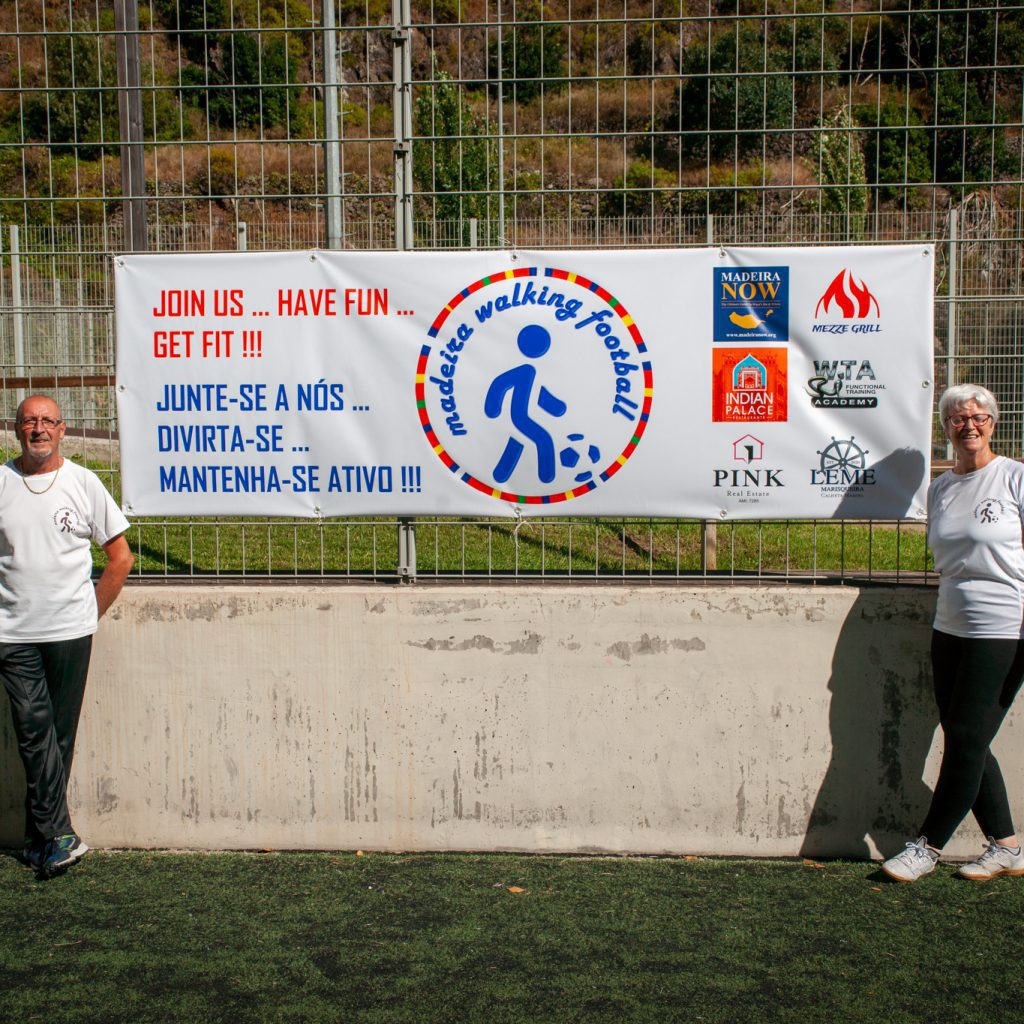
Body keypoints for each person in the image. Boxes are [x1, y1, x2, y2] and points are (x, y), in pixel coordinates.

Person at [883, 383, 1024, 882]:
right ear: (945, 429)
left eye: (978, 417)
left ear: (993, 423)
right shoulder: (940, 488)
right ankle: (1006, 845)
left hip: (1005, 627)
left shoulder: (1014, 478)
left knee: (965, 737)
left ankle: (927, 846)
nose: (969, 425)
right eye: (958, 419)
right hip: (950, 625)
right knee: (967, 736)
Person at [0, 394, 133, 877]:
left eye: (47, 422)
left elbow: (120, 558)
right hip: (12, 633)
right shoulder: (1, 483)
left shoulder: (83, 482)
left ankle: (43, 839)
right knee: (34, 731)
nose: (38, 429)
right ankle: (61, 835)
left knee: (58, 735)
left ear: (63, 429)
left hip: (70, 633)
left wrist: (87, 616)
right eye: (29, 421)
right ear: (15, 430)